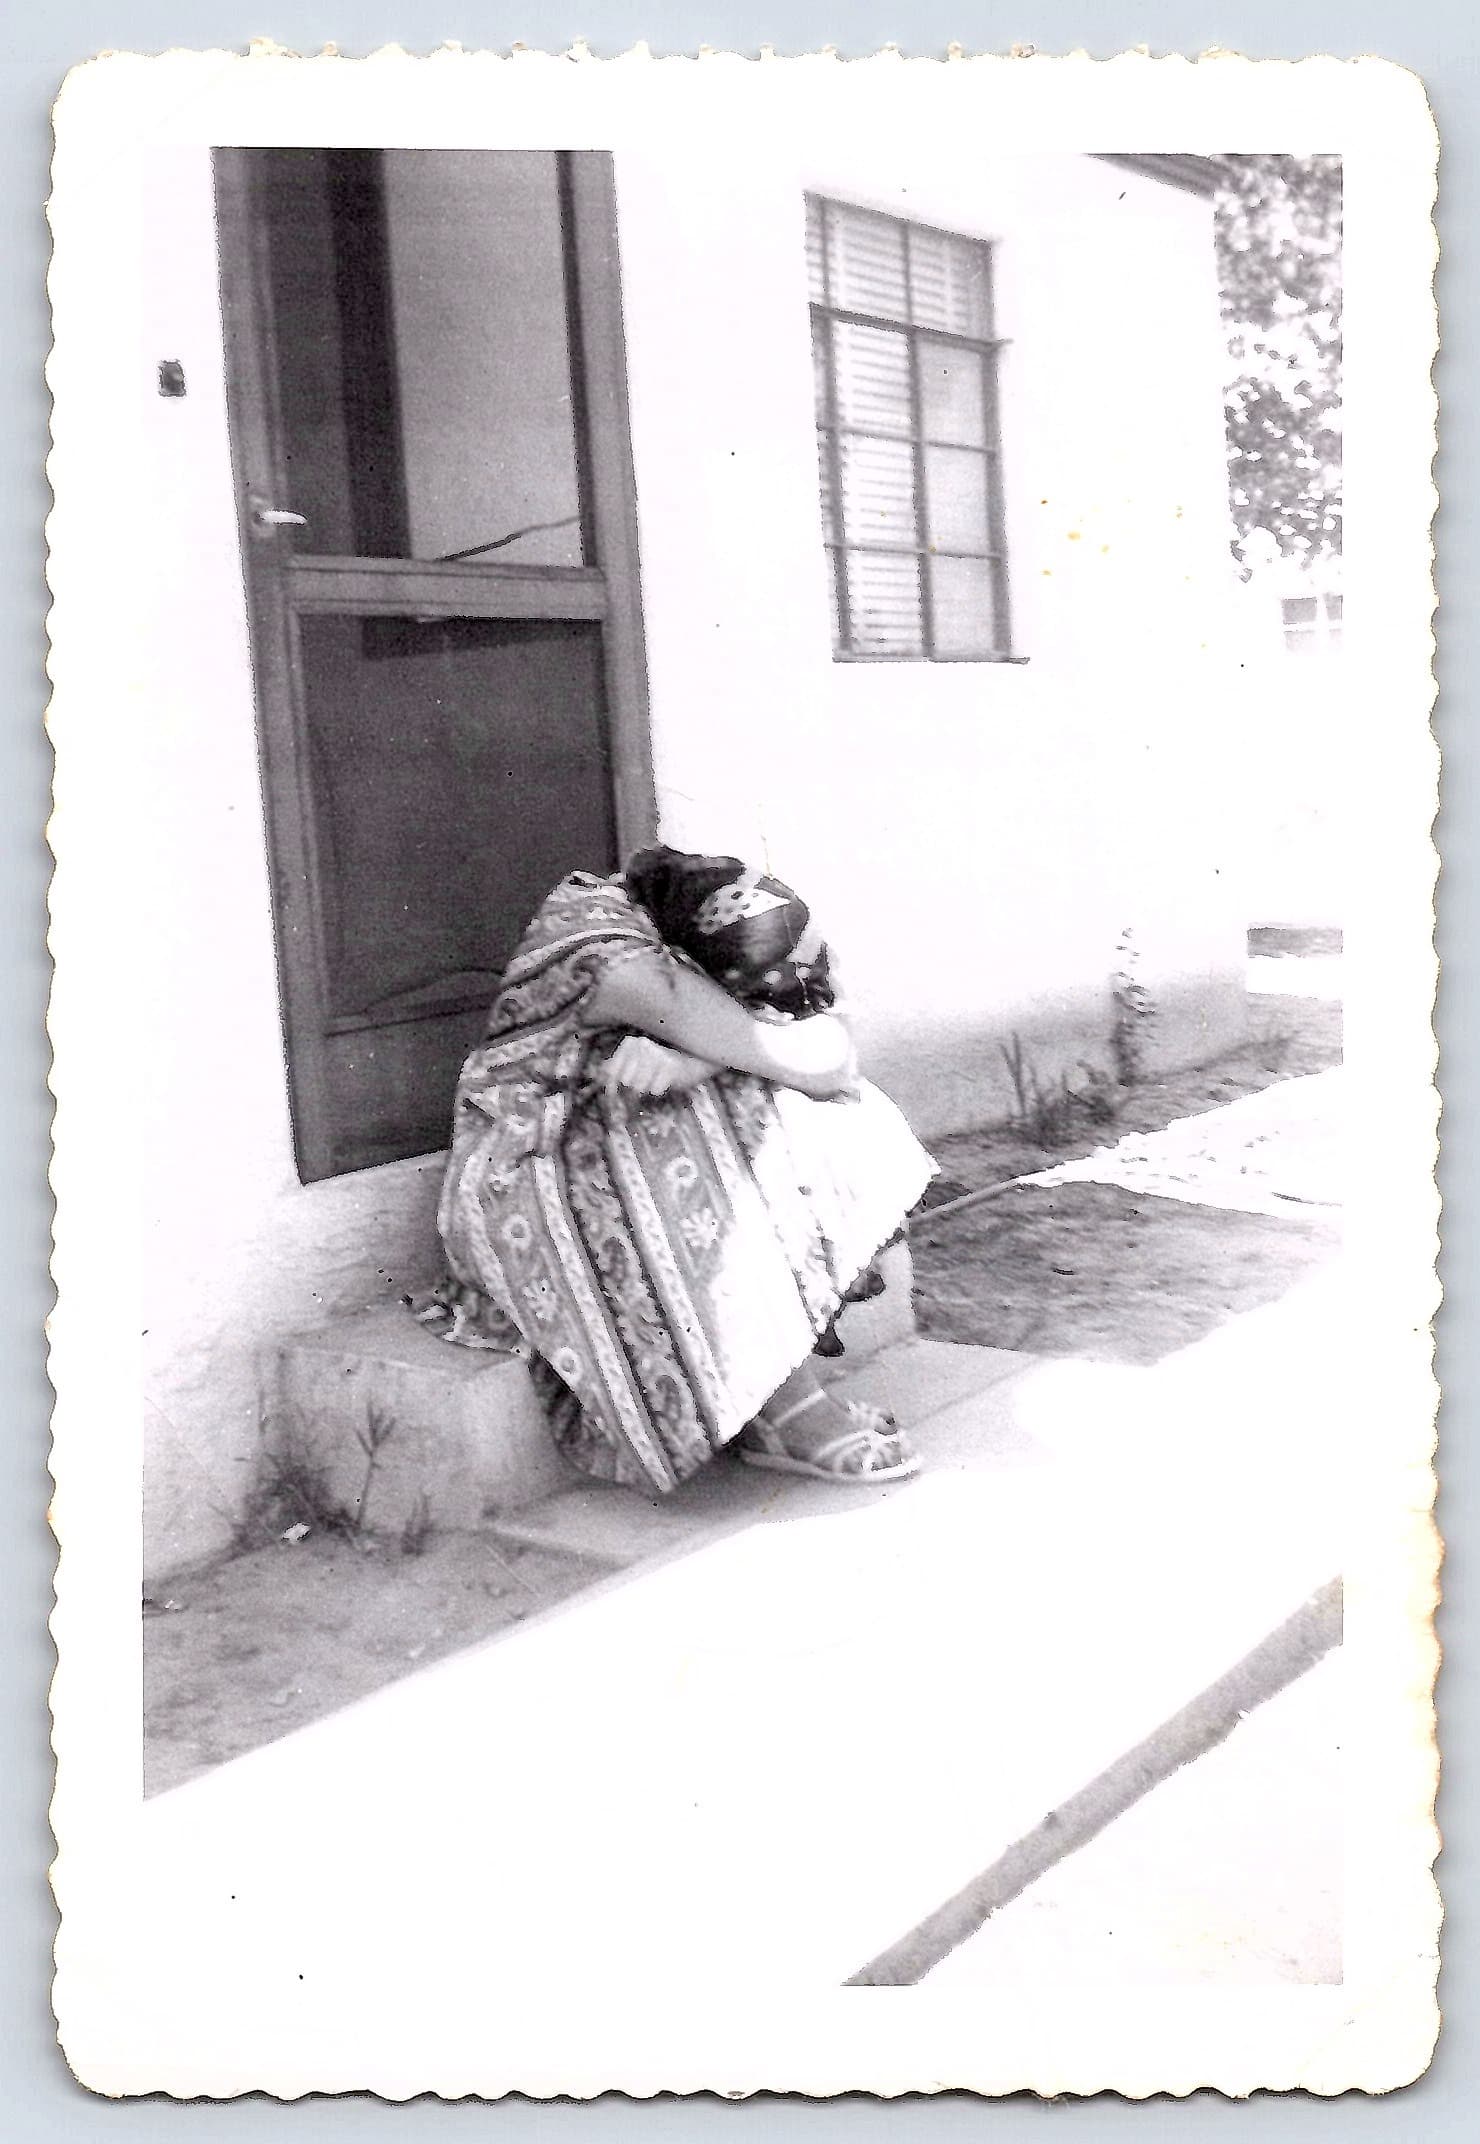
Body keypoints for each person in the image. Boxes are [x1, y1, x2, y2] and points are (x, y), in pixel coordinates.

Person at [425, 846, 936, 1492]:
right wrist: (727, 1048)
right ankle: (789, 1411)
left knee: (803, 1113)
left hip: (600, 1127)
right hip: (519, 1171)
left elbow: (830, 1050)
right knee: (739, 1134)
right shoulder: (614, 959)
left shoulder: (676, 918)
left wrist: (700, 1059)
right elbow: (792, 1052)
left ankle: (766, 1397)